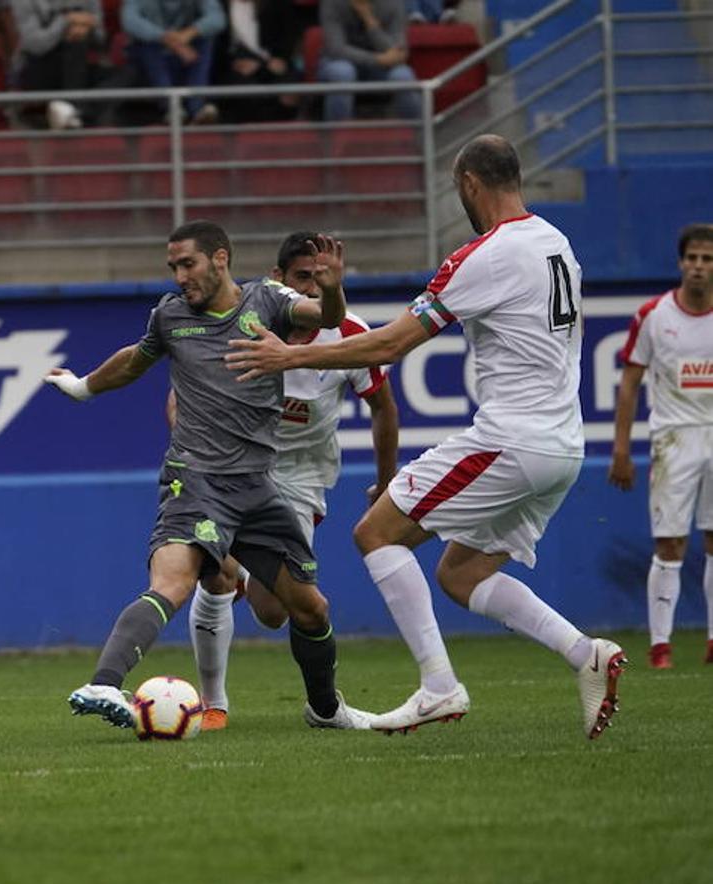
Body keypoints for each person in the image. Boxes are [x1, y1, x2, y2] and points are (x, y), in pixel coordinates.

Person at [224, 134, 627, 740]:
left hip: (511, 439)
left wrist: (289, 357)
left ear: (469, 184)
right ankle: (585, 653)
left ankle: (439, 686)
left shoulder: (482, 256)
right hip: (564, 446)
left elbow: (391, 343)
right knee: (461, 575)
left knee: (376, 533)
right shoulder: (556, 243)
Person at [45, 219, 374, 732]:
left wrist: (332, 290)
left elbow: (326, 316)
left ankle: (326, 710)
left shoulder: (268, 301)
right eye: (173, 267)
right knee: (171, 582)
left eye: (188, 264)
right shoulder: (170, 316)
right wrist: (83, 386)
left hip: (257, 487)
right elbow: (133, 361)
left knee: (310, 608)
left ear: (221, 259)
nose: (180, 276)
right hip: (195, 478)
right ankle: (104, 683)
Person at [186, 230, 400, 729]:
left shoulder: (348, 332)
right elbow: (183, 398)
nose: (312, 288)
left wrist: (386, 483)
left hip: (301, 478)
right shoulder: (241, 320)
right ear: (278, 278)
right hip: (235, 465)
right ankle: (213, 703)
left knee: (274, 611)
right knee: (216, 572)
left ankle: (249, 578)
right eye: (303, 277)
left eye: (321, 278)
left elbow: (383, 408)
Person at [609, 223, 713, 669]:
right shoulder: (654, 315)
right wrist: (621, 449)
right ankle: (660, 646)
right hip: (674, 438)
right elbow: (629, 384)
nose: (698, 266)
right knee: (670, 544)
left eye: (707, 259)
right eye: (692, 258)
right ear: (680, 262)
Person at [122, 0, 226, 125]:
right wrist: (168, 40)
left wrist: (188, 34)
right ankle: (172, 108)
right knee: (146, 45)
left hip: (187, 48)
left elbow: (217, 19)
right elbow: (129, 21)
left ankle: (197, 107)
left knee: (206, 40)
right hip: (153, 51)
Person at [316, 0, 420, 122]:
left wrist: (369, 21)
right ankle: (338, 132)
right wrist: (376, 59)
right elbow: (336, 49)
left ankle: (419, 131)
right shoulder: (332, 3)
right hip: (339, 62)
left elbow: (398, 52)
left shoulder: (393, 3)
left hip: (380, 67)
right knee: (342, 71)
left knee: (403, 75)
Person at [12, 0, 105, 129]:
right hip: (40, 67)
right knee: (74, 47)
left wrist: (86, 29)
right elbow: (35, 46)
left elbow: (101, 38)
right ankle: (75, 112)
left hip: (80, 67)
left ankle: (72, 114)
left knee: (123, 76)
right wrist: (66, 21)